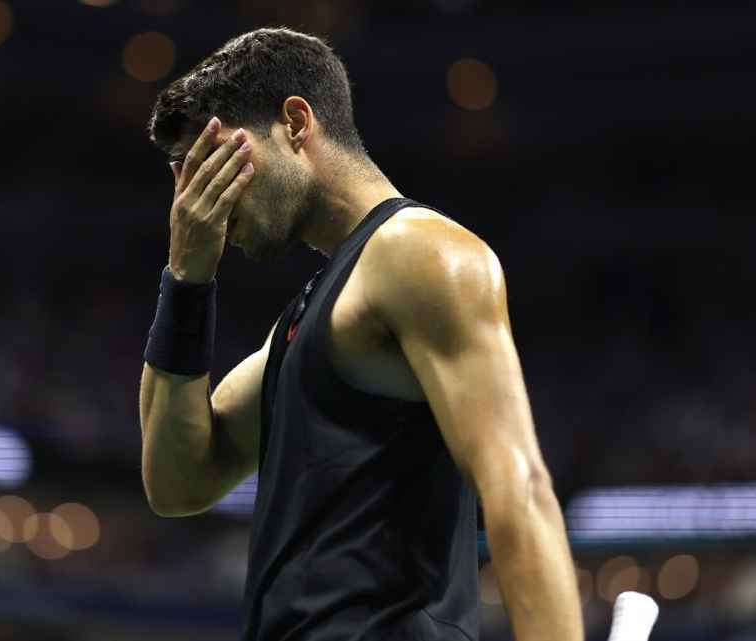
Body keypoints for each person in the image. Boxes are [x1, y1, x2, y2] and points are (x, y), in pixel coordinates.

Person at [137, 27, 582, 641]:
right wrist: (185, 280)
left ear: (296, 123)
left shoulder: (421, 253)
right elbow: (176, 479)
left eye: (214, 165)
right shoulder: (309, 313)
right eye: (186, 176)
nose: (198, 200)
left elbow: (519, 490)